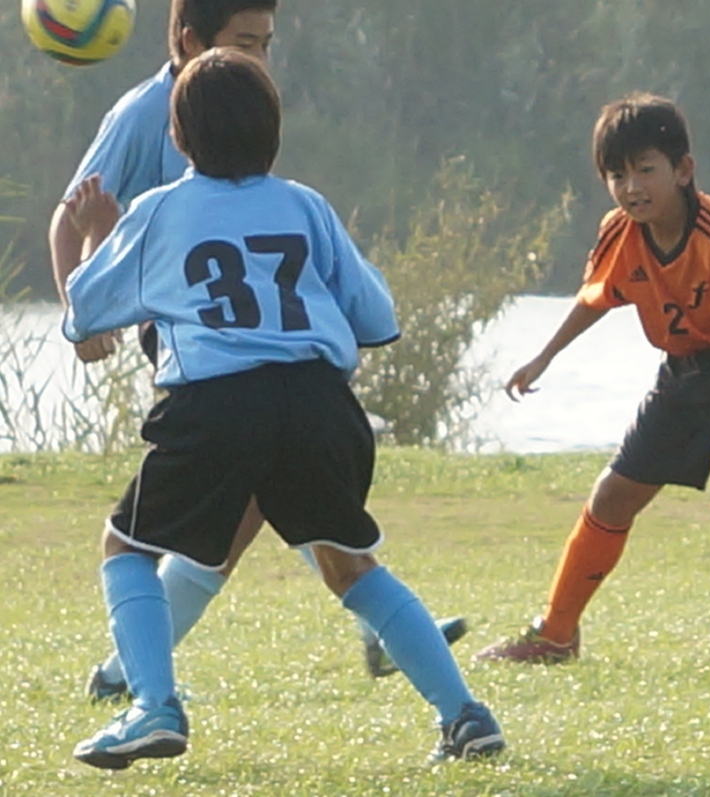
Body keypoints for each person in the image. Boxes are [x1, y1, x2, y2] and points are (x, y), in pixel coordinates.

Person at [64, 49, 504, 770]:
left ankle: (151, 705)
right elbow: (376, 315)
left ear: (178, 138)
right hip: (318, 402)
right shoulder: (305, 205)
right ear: (274, 130)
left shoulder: (160, 209)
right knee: (351, 566)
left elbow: (85, 311)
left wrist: (96, 232)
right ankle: (465, 714)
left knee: (127, 548)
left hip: (215, 404)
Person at [475, 93, 710, 664]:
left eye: (645, 170)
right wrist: (544, 356)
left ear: (683, 170)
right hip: (687, 363)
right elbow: (597, 296)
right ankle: (555, 635)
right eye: (617, 175)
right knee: (613, 495)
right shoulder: (620, 231)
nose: (631, 187)